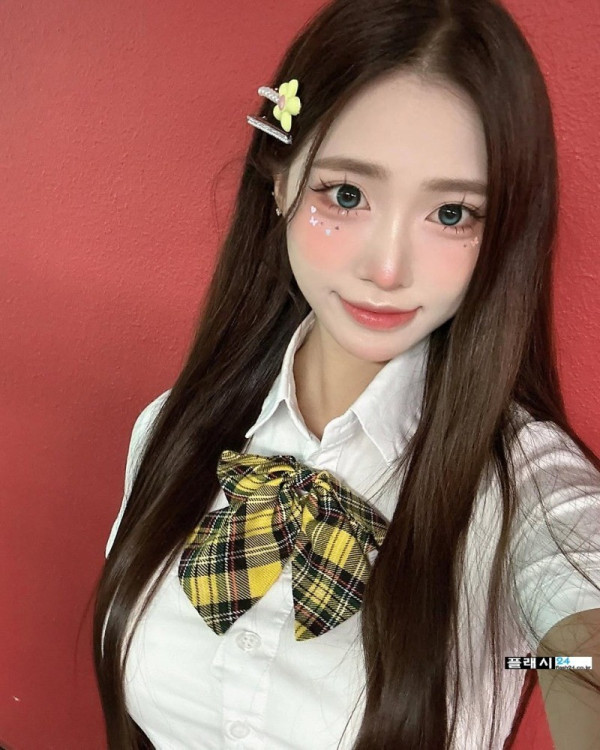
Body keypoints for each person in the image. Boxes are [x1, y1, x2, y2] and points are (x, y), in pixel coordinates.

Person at [93, 0, 600, 748]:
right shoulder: (168, 430)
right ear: (279, 182)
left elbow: (579, 639)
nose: (387, 268)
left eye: (452, 214)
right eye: (347, 195)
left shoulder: (524, 488)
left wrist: (540, 662)